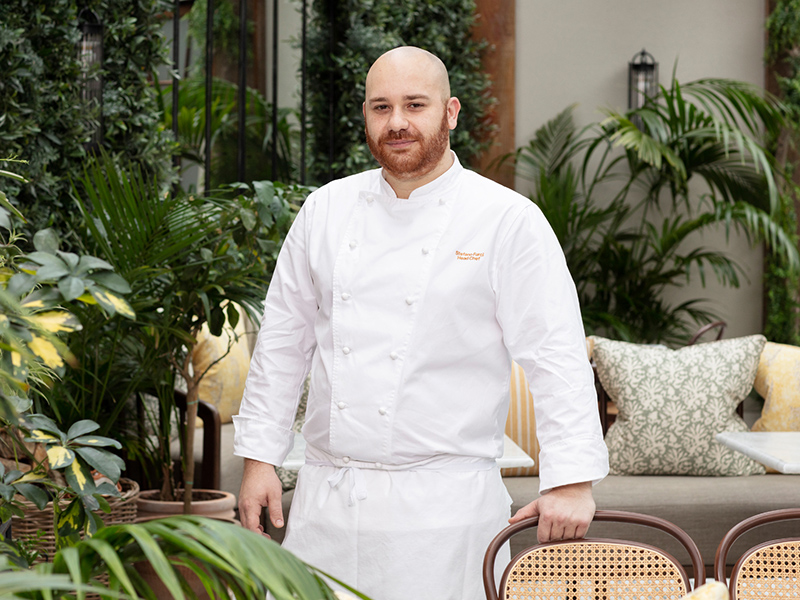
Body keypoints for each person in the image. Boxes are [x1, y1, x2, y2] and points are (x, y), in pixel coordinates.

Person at [234, 46, 609, 600]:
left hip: (446, 515)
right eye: (381, 107)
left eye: (415, 104)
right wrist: (259, 460)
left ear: (450, 112)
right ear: (365, 115)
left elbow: (554, 356)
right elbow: (282, 345)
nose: (398, 123)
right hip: (327, 505)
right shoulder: (326, 211)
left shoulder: (506, 220)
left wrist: (572, 483)